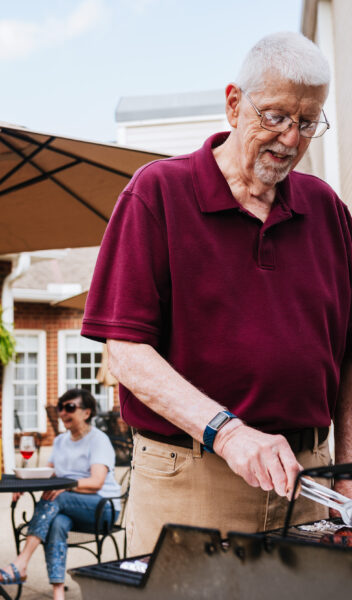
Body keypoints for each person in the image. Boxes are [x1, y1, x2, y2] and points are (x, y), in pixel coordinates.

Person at [82, 31, 352, 556]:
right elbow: (127, 353)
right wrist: (227, 432)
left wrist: (349, 471)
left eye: (306, 122)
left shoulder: (328, 210)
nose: (291, 139)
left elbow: (349, 355)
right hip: (194, 476)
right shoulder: (156, 193)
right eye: (274, 116)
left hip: (311, 481)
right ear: (233, 104)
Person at [0, 388, 121, 600]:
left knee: (56, 496)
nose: (63, 413)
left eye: (69, 407)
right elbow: (47, 473)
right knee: (58, 522)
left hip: (102, 510)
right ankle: (58, 592)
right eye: (61, 408)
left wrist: (66, 487)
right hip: (70, 508)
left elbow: (96, 482)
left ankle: (21, 563)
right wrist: (24, 484)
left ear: (86, 413)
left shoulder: (98, 440)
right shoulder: (61, 441)